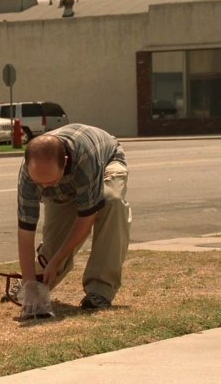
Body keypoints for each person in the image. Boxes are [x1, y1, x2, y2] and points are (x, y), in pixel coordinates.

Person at [16, 123, 131, 318]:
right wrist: (29, 284)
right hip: (66, 186)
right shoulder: (29, 174)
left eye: (50, 182)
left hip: (106, 162)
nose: (45, 187)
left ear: (65, 162)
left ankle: (100, 290)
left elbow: (86, 218)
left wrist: (57, 261)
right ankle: (28, 282)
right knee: (51, 253)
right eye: (39, 183)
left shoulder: (85, 159)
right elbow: (25, 233)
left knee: (111, 201)